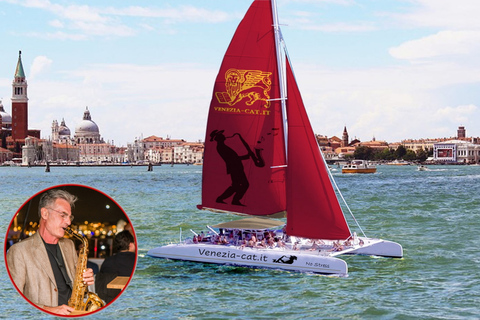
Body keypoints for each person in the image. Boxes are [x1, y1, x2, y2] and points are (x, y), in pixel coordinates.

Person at [6, 189, 95, 315]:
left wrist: (85, 281)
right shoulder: (19, 251)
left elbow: (77, 288)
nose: (69, 222)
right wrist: (49, 310)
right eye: (63, 215)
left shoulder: (69, 245)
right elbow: (12, 301)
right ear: (45, 213)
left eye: (70, 217)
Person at [95, 230, 136, 304]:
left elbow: (100, 284)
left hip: (109, 301)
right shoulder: (137, 262)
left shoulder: (108, 261)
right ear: (131, 245)